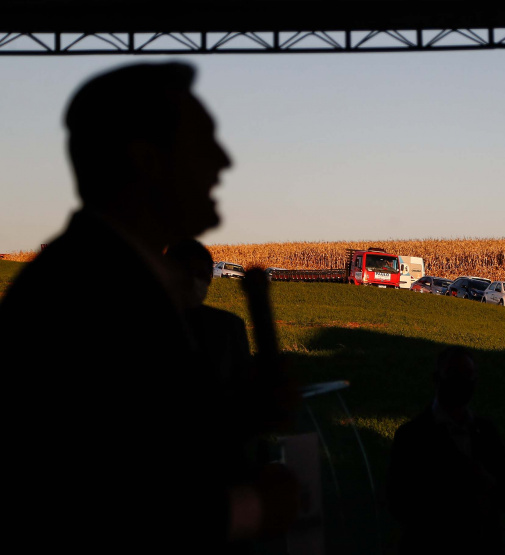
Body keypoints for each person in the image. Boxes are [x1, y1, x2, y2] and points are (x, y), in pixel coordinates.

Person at [0, 62, 296, 552]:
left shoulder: (109, 279)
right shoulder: (88, 294)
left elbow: (139, 438)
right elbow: (96, 500)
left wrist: (242, 416)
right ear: (147, 162)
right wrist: (253, 509)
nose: (224, 161)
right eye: (204, 143)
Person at [387, 346, 505, 555]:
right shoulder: (412, 435)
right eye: (455, 375)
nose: (462, 382)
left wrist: (488, 482)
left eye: (468, 375)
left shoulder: (486, 432)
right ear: (437, 379)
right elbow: (398, 503)